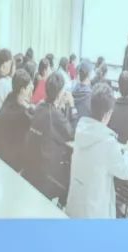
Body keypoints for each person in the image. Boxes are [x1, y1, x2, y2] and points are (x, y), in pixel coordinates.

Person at [66, 85, 128, 219]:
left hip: (74, 207)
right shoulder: (108, 143)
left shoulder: (81, 129)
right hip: (94, 213)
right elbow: (127, 172)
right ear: (107, 114)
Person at [26, 71, 75, 204]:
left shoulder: (39, 107)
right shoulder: (55, 115)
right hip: (45, 174)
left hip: (31, 166)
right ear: (60, 94)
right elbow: (71, 133)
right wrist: (71, 106)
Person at [0, 69, 34, 171]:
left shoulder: (10, 97)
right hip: (6, 161)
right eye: (29, 88)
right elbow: (33, 119)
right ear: (23, 90)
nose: (31, 93)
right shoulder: (22, 114)